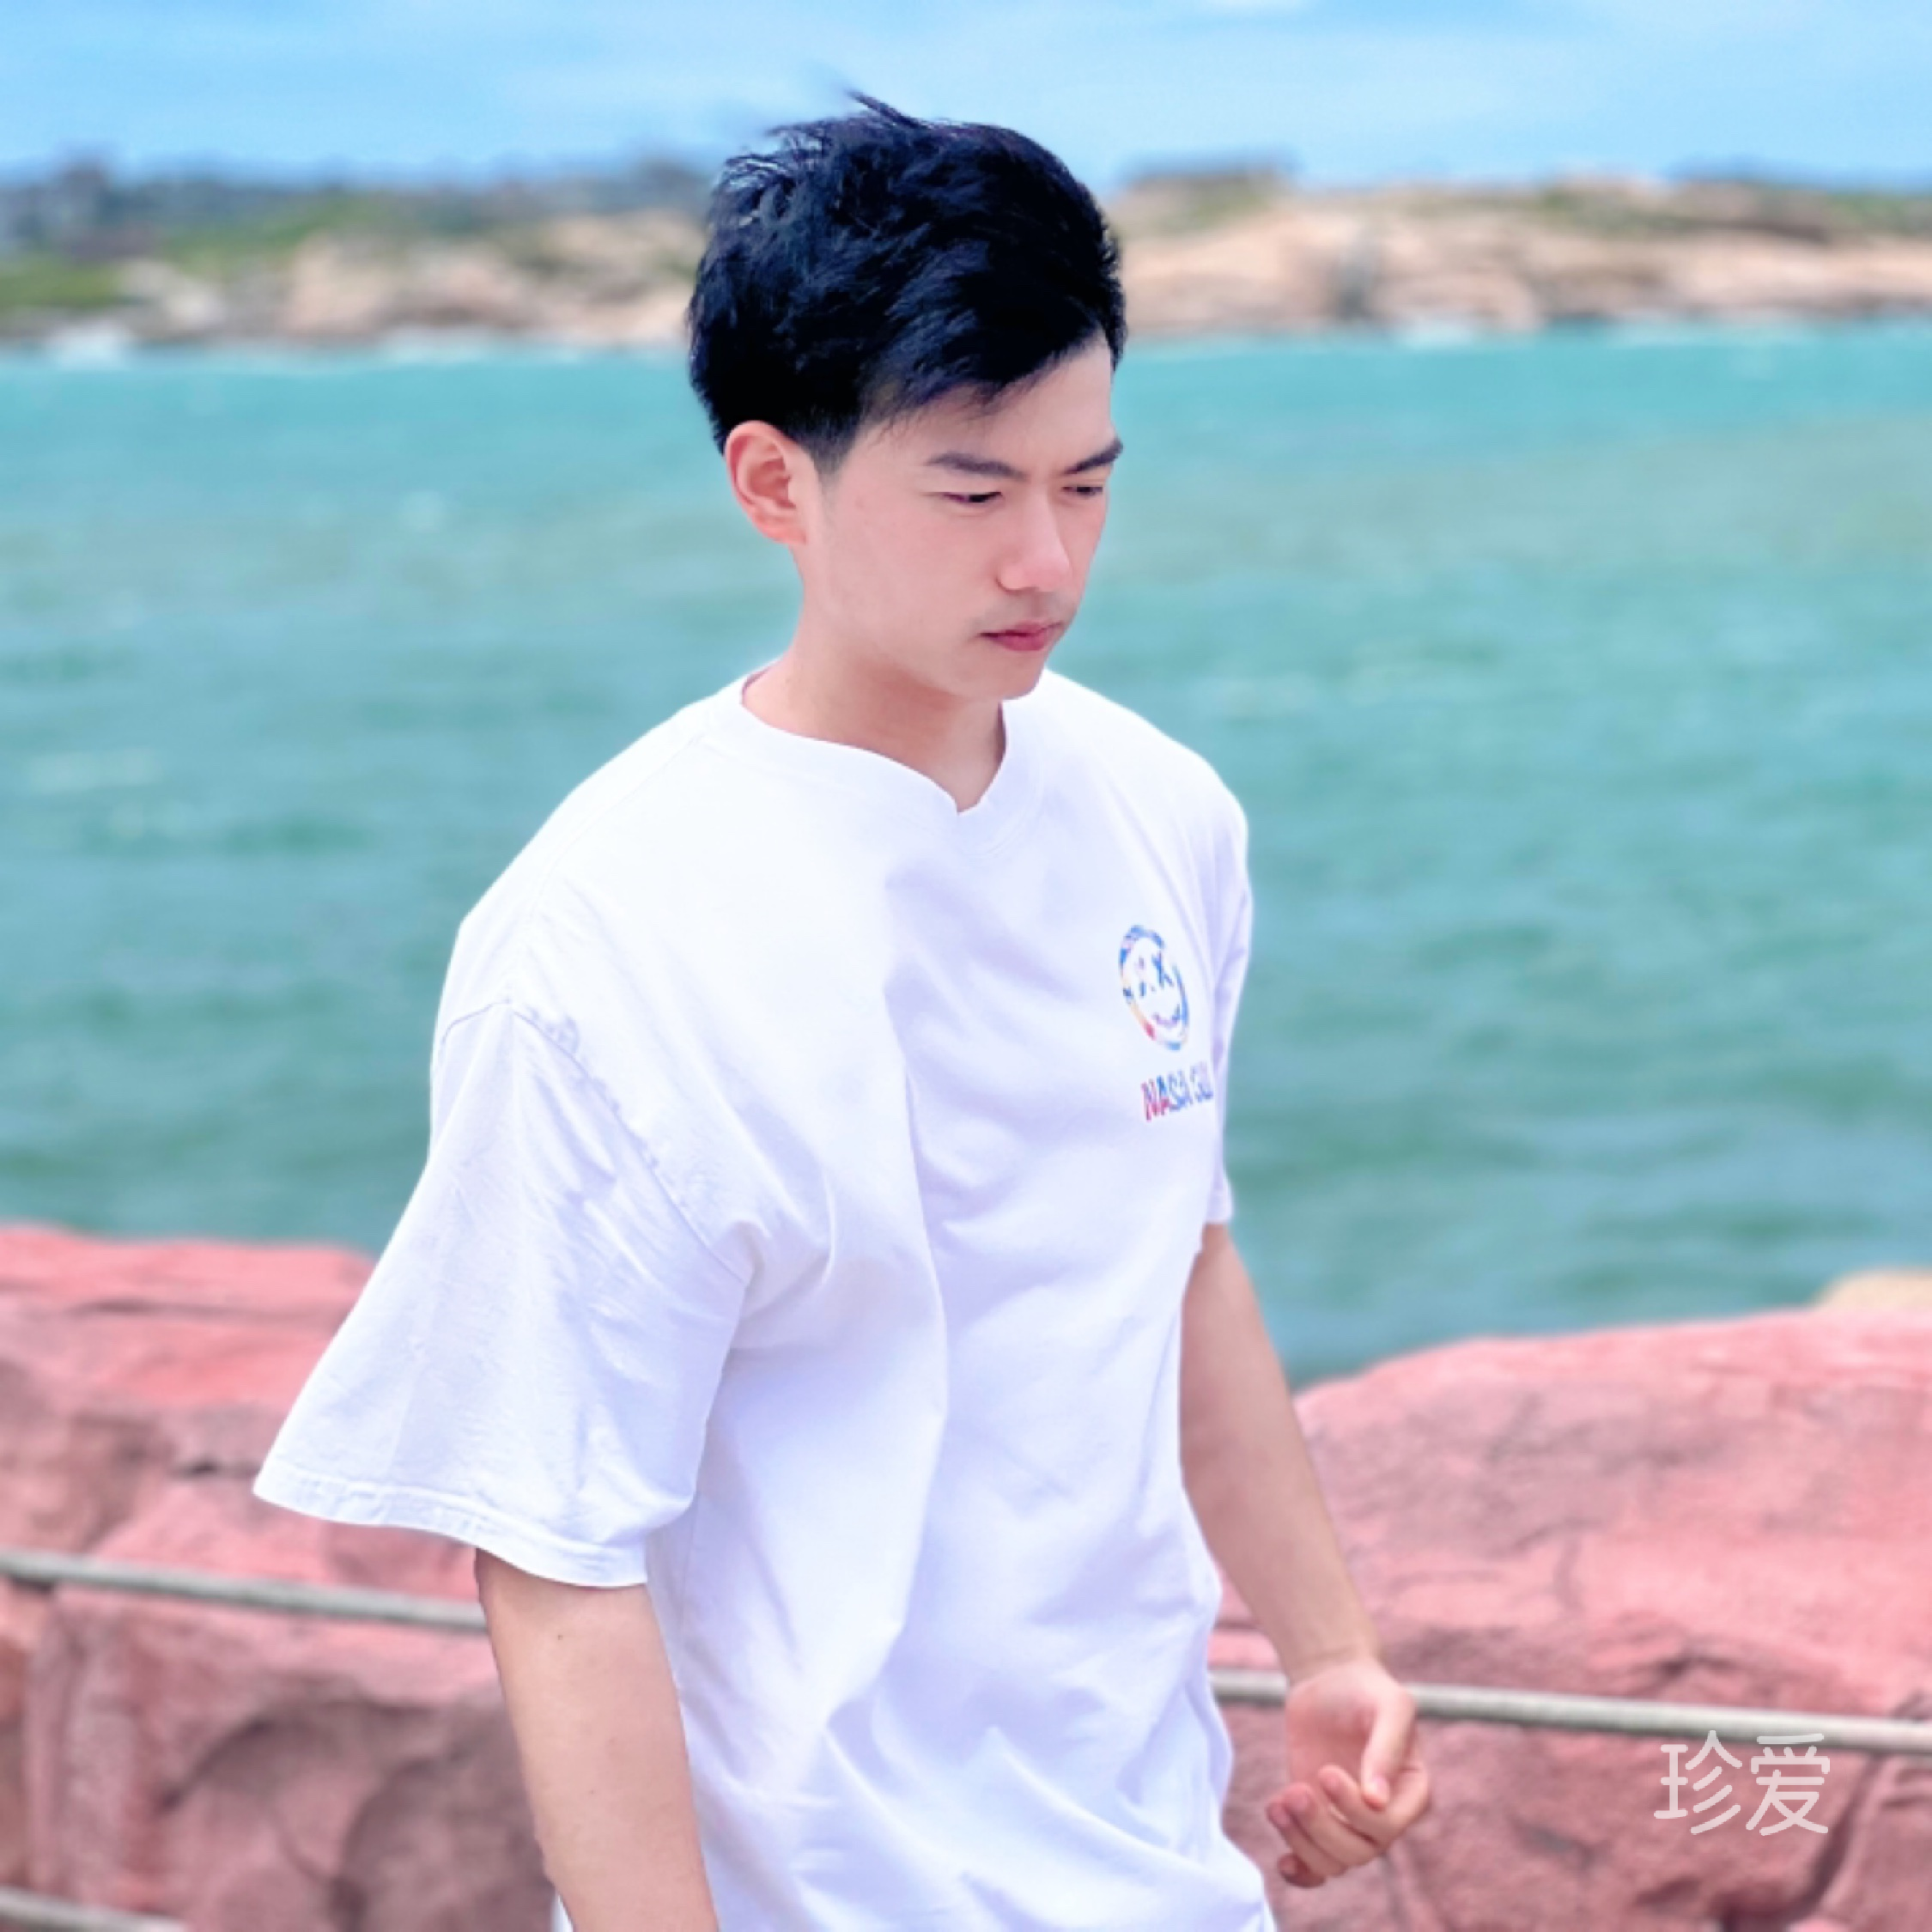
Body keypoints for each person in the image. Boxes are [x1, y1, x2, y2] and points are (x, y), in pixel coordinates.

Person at [252, 93, 1431, 1930]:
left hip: (1154, 1864)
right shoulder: (603, 939)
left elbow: (1179, 1261)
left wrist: (1328, 1645)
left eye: (1087, 482)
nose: (1046, 561)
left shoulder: (1163, 812)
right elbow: (556, 1553)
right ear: (771, 483)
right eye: (972, 491)